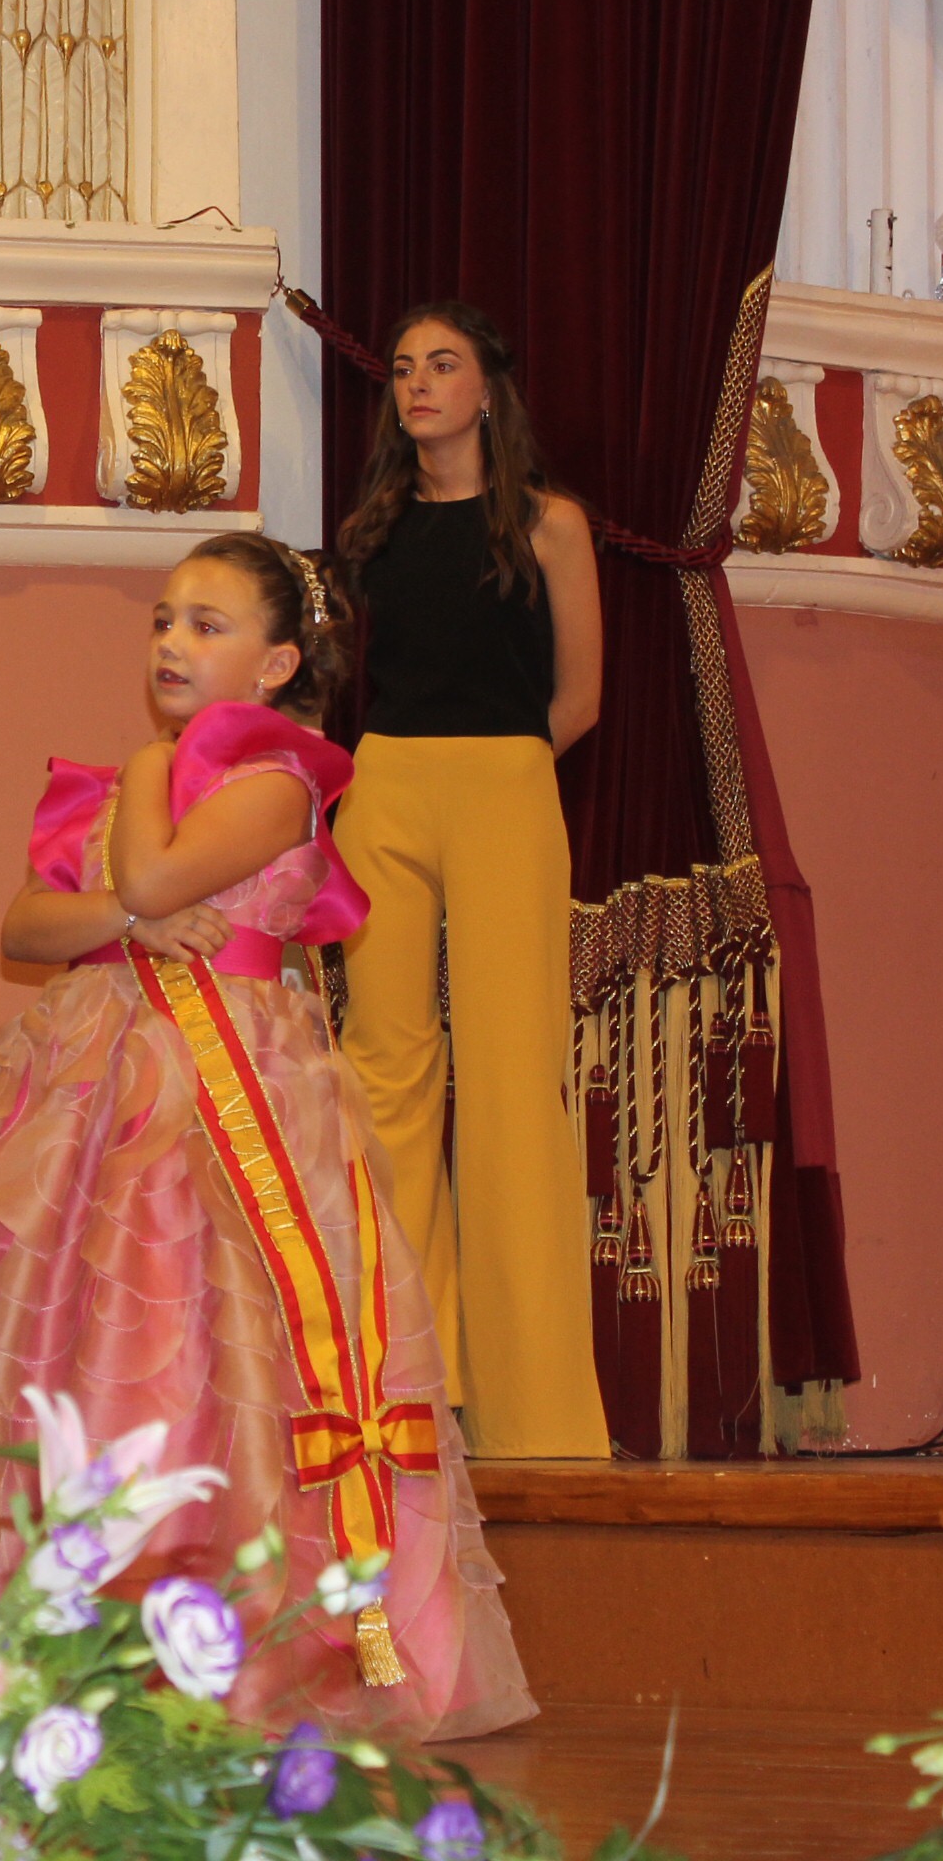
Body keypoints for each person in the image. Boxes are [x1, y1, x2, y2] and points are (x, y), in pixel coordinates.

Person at [0, 534, 531, 1742]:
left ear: (278, 662)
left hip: (228, 1092)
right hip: (99, 1087)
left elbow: (155, 881)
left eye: (207, 624)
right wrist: (123, 919)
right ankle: (68, 1632)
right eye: (162, 619)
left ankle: (250, 1650)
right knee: (91, 1334)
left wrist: (144, 805)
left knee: (216, 1338)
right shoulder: (118, 788)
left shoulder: (279, 781)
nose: (171, 643)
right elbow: (30, 926)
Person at [332, 301, 613, 1462]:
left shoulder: (552, 523)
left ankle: (536, 1416)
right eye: (404, 368)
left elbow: (579, 698)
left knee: (510, 1082)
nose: (418, 384)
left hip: (505, 781)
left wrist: (497, 773)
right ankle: (401, 1388)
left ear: (486, 388)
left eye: (441, 366)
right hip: (385, 786)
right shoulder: (373, 528)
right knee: (384, 1074)